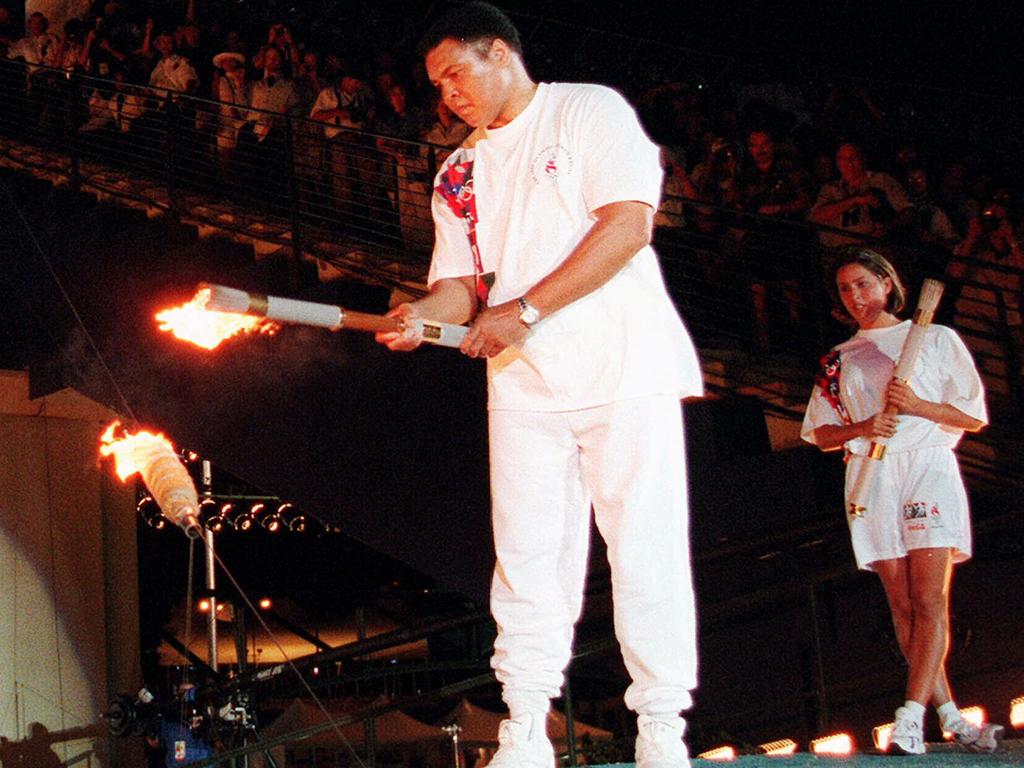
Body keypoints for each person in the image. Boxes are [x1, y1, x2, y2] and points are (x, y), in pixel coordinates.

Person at [376, 4, 701, 767]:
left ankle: (661, 726)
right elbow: (459, 285)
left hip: (623, 368)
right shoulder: (458, 172)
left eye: (456, 73)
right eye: (437, 83)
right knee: (525, 559)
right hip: (523, 384)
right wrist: (422, 315)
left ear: (500, 53)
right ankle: (525, 727)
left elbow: (626, 226)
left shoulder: (588, 109)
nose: (447, 94)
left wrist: (522, 310)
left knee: (643, 550)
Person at [801, 248, 1004, 755]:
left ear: (888, 284)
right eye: (846, 290)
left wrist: (917, 406)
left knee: (931, 599)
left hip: (927, 467)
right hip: (870, 476)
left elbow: (972, 416)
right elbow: (821, 434)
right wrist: (864, 427)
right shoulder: (838, 358)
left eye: (864, 284)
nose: (856, 298)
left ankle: (910, 714)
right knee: (902, 603)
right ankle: (951, 715)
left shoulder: (934, 339)